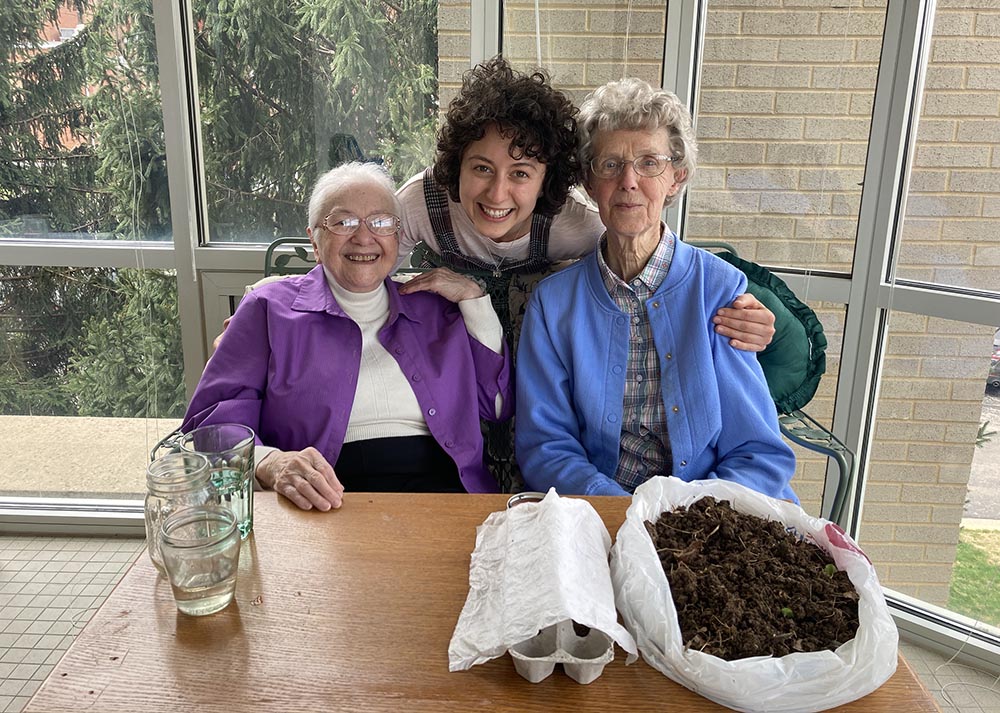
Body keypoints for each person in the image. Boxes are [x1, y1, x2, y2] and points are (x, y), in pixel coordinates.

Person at [514, 78, 797, 501]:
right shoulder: (553, 305)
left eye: (649, 163)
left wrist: (684, 520)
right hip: (599, 509)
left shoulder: (719, 291)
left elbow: (756, 451)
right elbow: (545, 445)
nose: (629, 181)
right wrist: (620, 512)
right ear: (590, 185)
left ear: (676, 179)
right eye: (610, 164)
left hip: (711, 516)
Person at [184, 162, 513, 511]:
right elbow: (211, 426)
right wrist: (271, 463)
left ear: (397, 236)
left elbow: (497, 405)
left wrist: (475, 301)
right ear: (314, 238)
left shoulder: (437, 308)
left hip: (442, 493)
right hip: (322, 496)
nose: (364, 237)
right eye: (343, 222)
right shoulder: (268, 309)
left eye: (381, 222)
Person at [396, 56, 776, 351]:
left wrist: (752, 321)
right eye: (481, 168)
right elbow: (359, 274)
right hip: (451, 364)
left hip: (534, 359)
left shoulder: (578, 223)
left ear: (548, 181)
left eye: (521, 174)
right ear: (455, 163)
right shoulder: (421, 203)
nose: (497, 194)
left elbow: (658, 268)